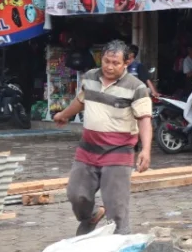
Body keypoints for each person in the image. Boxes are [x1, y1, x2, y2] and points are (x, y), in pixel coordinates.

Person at [53, 39, 152, 235]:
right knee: (76, 195)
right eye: (106, 61)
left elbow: (144, 120)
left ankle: (120, 242)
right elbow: (80, 101)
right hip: (87, 149)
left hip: (119, 152)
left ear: (126, 63)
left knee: (116, 204)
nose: (109, 66)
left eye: (115, 63)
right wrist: (63, 115)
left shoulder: (136, 87)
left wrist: (146, 150)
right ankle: (89, 217)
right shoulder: (90, 77)